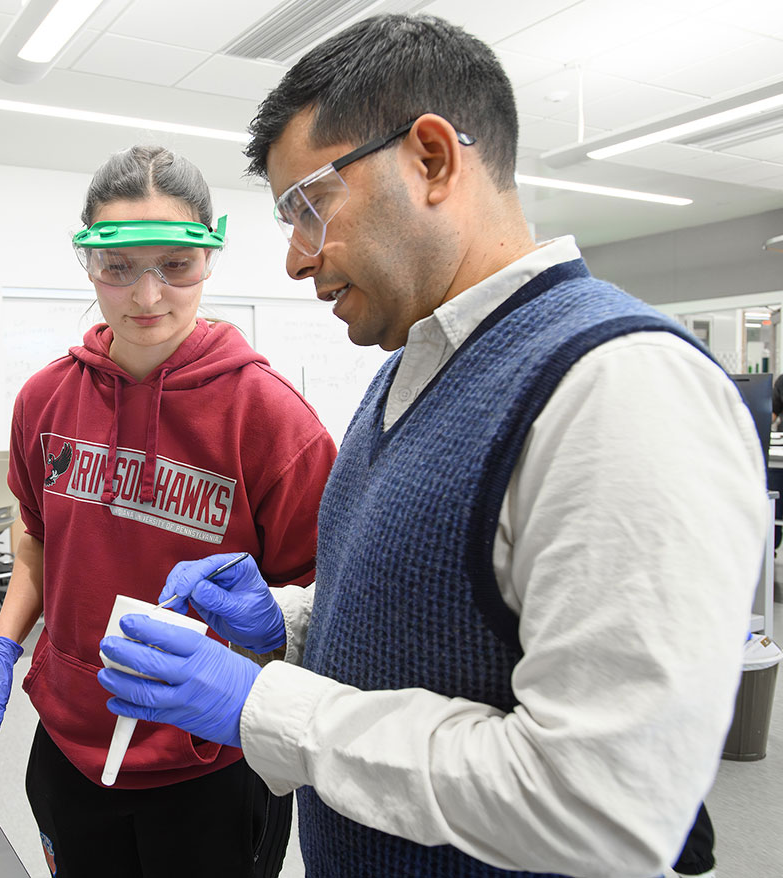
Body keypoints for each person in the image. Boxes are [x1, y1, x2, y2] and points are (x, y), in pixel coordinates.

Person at [96, 15, 766, 878]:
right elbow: (441, 627)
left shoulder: (618, 386)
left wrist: (266, 704)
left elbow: (601, 802)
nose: (298, 260)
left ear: (433, 159)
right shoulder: (410, 372)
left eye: (310, 206)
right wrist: (290, 624)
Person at [0, 145, 337, 877]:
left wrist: (259, 656)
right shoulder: (44, 400)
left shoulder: (270, 419)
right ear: (87, 260)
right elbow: (37, 541)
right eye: (119, 267)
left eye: (176, 266)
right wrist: (3, 645)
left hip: (210, 760)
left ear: (211, 257)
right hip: (68, 742)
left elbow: (327, 601)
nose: (147, 295)